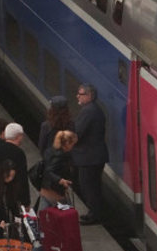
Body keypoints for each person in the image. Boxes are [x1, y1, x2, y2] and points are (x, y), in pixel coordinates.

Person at [72, 83, 108, 224]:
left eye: (80, 94)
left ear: (89, 96)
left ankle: (94, 215)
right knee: (93, 186)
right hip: (95, 156)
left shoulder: (88, 111)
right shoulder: (94, 109)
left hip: (89, 157)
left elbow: (77, 133)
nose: (77, 96)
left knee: (88, 186)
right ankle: (94, 212)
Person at [0, 122, 30, 209]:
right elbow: (23, 177)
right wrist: (26, 202)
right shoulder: (19, 153)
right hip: (12, 195)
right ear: (18, 136)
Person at [38, 130, 77, 211]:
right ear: (67, 144)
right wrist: (61, 180)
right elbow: (49, 171)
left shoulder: (49, 150)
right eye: (73, 144)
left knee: (44, 214)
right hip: (56, 191)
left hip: (45, 188)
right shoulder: (61, 156)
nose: (73, 147)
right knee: (68, 214)